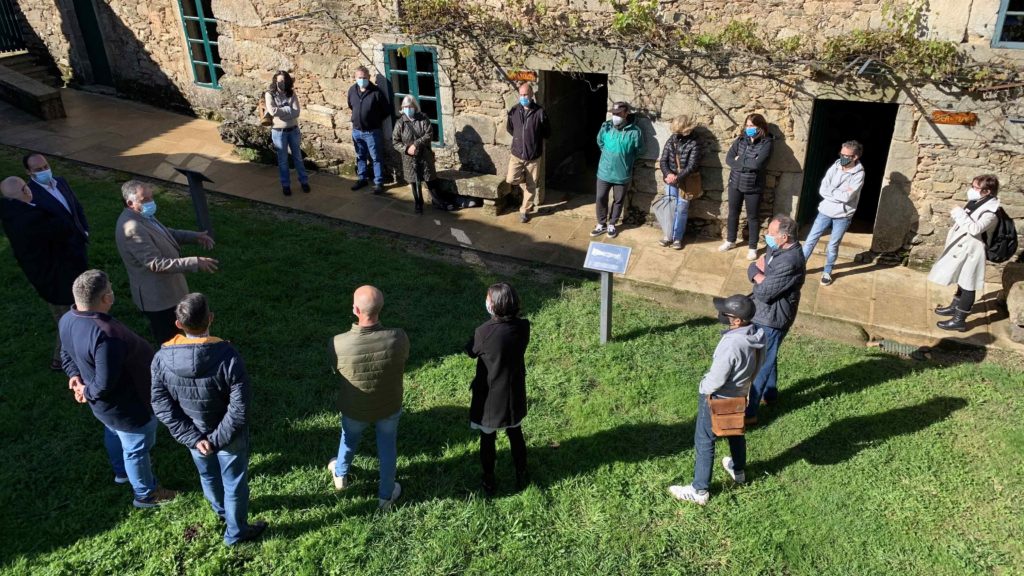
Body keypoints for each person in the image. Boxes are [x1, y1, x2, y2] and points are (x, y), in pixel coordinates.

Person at [151, 293, 268, 545]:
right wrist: (216, 439)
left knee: (208, 476)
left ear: (179, 325)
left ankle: (221, 511)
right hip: (228, 436)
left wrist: (195, 438)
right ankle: (235, 532)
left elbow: (160, 404)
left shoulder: (161, 359)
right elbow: (239, 408)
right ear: (211, 319)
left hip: (196, 437)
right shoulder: (228, 356)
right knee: (234, 483)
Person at [59, 269, 176, 508]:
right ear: (105, 299)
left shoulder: (68, 319)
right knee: (136, 447)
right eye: (110, 289)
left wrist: (74, 377)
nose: (113, 292)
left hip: (106, 409)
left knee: (113, 432)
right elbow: (105, 382)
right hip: (128, 408)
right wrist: (85, 391)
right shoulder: (106, 336)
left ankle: (121, 471)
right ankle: (146, 494)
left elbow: (65, 353)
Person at [668, 294, 765, 505]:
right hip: (740, 394)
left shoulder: (732, 343)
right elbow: (759, 364)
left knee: (704, 441)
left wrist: (704, 388)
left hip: (719, 397)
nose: (722, 315)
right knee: (735, 433)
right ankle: (738, 471)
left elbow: (718, 377)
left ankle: (699, 491)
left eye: (726, 313)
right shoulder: (757, 333)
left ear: (737, 320)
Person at [328, 285, 409, 511]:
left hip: (354, 408)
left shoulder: (337, 343)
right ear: (380, 309)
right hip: (389, 405)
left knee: (348, 438)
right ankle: (386, 496)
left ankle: (341, 475)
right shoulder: (399, 337)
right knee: (387, 446)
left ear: (355, 309)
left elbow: (336, 369)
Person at [0, 173, 88, 370]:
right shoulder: (32, 219)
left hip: (42, 276)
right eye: (25, 186)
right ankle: (61, 358)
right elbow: (63, 228)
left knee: (63, 316)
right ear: (23, 190)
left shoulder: (12, 215)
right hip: (58, 277)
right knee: (71, 318)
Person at [114, 179, 218, 345]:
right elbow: (156, 263)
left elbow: (164, 233)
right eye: (145, 200)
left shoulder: (142, 215)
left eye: (151, 197)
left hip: (169, 292)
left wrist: (194, 236)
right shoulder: (132, 227)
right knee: (170, 342)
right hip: (159, 300)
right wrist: (195, 261)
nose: (151, 202)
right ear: (130, 203)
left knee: (180, 339)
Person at [465, 283, 531, 496]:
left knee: (488, 437)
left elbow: (471, 351)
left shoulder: (484, 332)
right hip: (513, 391)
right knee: (515, 432)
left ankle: (489, 479)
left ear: (494, 305)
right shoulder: (523, 326)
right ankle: (521, 473)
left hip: (490, 396)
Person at [745, 215, 805, 424]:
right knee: (768, 354)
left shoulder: (791, 260)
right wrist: (758, 273)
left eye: (771, 234)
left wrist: (755, 273)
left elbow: (764, 292)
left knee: (761, 363)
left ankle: (749, 413)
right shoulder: (777, 248)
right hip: (765, 312)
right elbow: (758, 265)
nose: (767, 237)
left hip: (774, 317)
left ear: (784, 237)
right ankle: (769, 395)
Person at [928, 175, 1002, 332]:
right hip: (964, 247)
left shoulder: (991, 211)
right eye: (973, 185)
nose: (971, 190)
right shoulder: (978, 202)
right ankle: (954, 307)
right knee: (962, 281)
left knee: (969, 285)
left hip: (974, 250)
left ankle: (959, 320)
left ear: (987, 191)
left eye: (975, 187)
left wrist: (958, 213)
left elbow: (975, 229)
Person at [802, 141, 865, 286]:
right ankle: (800, 266)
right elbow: (822, 189)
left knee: (833, 245)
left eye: (846, 155)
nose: (842, 157)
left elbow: (847, 197)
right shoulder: (835, 166)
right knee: (811, 239)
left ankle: (827, 271)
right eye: (841, 154)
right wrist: (837, 194)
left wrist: (832, 192)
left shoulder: (859, 174)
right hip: (825, 211)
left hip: (843, 215)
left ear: (854, 157)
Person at [721, 114, 774, 261]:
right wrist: (747, 162)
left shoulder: (766, 143)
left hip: (753, 185)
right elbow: (729, 159)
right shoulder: (740, 140)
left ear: (760, 126)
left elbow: (758, 164)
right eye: (747, 125)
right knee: (733, 212)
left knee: (753, 217)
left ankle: (752, 247)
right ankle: (730, 241)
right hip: (735, 182)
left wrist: (741, 160)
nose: (748, 128)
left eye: (752, 126)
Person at [392, 95, 455, 213]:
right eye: (405, 107)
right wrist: (406, 149)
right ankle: (418, 204)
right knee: (414, 181)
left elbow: (429, 134)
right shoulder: (400, 123)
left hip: (425, 155)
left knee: (430, 180)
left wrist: (416, 144)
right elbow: (395, 142)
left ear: (415, 107)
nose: (407, 109)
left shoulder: (423, 118)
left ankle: (438, 202)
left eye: (410, 106)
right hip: (409, 158)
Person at [591, 101, 645, 239]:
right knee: (600, 197)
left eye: (619, 114)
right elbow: (600, 141)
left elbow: (639, 150)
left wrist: (625, 159)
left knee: (618, 199)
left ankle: (612, 224)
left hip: (622, 174)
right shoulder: (606, 127)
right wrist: (609, 156)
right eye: (613, 114)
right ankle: (601, 223)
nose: (615, 116)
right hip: (604, 172)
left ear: (626, 114)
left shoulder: (634, 132)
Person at [505, 82, 550, 224]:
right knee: (511, 179)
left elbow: (547, 132)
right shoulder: (514, 111)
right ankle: (525, 179)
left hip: (533, 157)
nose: (523, 97)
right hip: (517, 154)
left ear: (531, 95)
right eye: (521, 94)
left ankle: (525, 210)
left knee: (531, 186)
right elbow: (510, 128)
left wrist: (533, 142)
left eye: (525, 94)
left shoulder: (540, 112)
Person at [657, 115, 702, 249]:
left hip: (686, 181)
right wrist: (667, 174)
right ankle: (667, 235)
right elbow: (663, 160)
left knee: (681, 209)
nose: (677, 134)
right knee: (669, 208)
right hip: (671, 179)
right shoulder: (672, 139)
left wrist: (677, 177)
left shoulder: (695, 142)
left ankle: (677, 238)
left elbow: (692, 165)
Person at [265, 70, 310, 196]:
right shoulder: (270, 94)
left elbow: (296, 112)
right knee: (283, 160)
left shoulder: (291, 93)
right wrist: (288, 110)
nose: (281, 83)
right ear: (275, 81)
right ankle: (286, 185)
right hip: (279, 132)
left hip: (293, 130)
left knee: (298, 158)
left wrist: (283, 112)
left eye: (284, 81)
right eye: (279, 81)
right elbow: (273, 111)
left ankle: (304, 182)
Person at [348, 65, 391, 195]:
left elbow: (386, 110)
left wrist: (374, 120)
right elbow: (351, 105)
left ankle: (378, 182)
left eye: (364, 77)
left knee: (376, 157)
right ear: (355, 78)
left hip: (372, 132)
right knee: (360, 156)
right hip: (357, 131)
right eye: (360, 77)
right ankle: (362, 178)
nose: (362, 79)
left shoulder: (376, 92)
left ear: (369, 77)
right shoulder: (352, 90)